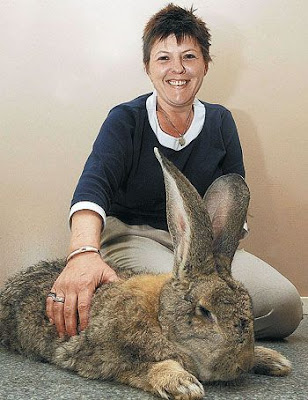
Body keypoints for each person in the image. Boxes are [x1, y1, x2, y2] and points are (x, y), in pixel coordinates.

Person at [46, 4, 303, 340]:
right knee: (177, 299)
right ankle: (191, 335)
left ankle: (184, 335)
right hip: (134, 237)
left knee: (284, 307)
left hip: (202, 248)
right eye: (164, 57)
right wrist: (83, 254)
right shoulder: (126, 119)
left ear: (205, 64)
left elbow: (233, 196)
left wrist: (215, 263)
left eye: (189, 57)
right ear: (148, 67)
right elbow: (93, 187)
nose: (177, 69)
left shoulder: (221, 121)